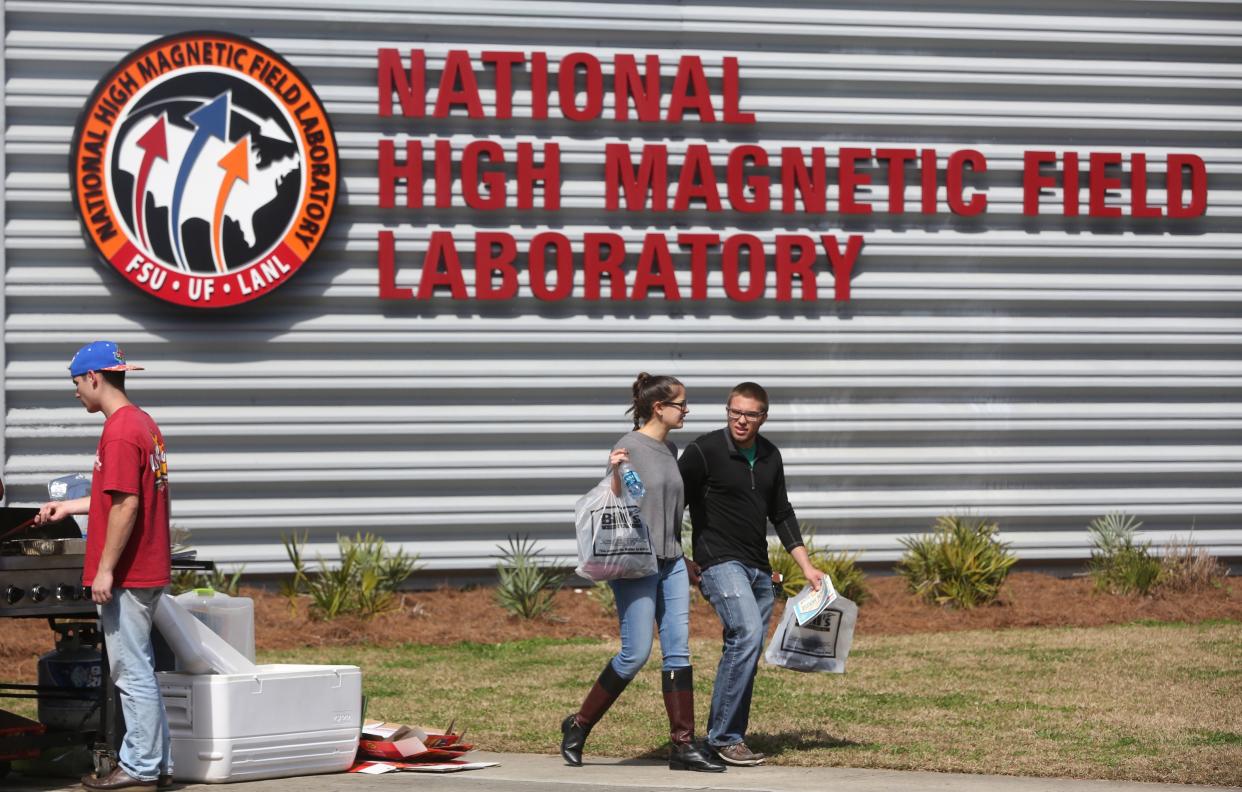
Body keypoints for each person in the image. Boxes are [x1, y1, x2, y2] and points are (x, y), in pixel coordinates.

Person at [560, 373, 724, 773]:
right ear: (659, 407)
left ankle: (682, 745)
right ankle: (578, 726)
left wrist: (680, 555)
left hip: (670, 562)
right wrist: (615, 473)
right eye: (681, 403)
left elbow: (667, 510)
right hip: (636, 565)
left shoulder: (670, 448)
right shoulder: (628, 446)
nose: (686, 410)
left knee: (679, 651)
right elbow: (622, 498)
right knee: (635, 654)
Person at [35, 342, 172, 792]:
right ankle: (157, 762)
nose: (76, 392)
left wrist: (106, 569)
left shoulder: (117, 431)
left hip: (128, 574)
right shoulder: (142, 424)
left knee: (130, 673)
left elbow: (126, 505)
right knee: (139, 668)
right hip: (146, 569)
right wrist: (67, 506)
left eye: (76, 383)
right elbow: (114, 495)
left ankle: (140, 767)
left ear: (94, 378)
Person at [679, 381, 827, 767]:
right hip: (719, 562)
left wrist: (807, 567)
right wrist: (678, 557)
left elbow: (781, 512)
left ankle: (726, 735)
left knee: (745, 646)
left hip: (759, 569)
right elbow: (670, 501)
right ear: (727, 411)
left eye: (750, 414)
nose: (741, 420)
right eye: (735, 412)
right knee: (745, 635)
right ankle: (724, 737)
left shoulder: (770, 456)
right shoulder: (703, 451)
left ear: (763, 416)